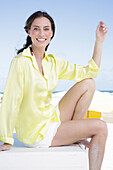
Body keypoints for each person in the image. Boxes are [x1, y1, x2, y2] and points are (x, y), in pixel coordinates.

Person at [0, 11, 108, 169]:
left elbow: (90, 72)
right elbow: (11, 100)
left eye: (46, 29)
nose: (41, 33)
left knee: (88, 83)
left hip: (51, 118)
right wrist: (7, 139)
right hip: (36, 131)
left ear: (51, 33)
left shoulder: (52, 62)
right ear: (29, 32)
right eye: (36, 29)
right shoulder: (20, 62)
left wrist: (99, 41)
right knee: (101, 127)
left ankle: (75, 135)